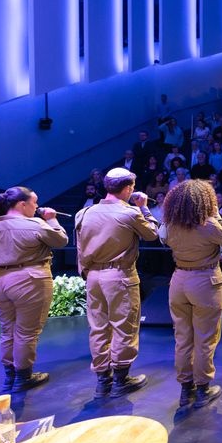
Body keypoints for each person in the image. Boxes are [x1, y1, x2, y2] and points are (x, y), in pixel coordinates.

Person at [75, 168, 159, 399]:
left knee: (98, 327)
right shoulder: (130, 213)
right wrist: (143, 207)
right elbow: (152, 234)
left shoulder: (84, 212)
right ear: (129, 188)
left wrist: (86, 272)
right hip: (119, 275)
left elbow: (80, 247)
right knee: (124, 325)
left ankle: (103, 380)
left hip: (93, 276)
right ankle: (121, 379)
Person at [0, 186, 68, 391]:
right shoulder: (35, 224)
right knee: (27, 331)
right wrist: (52, 219)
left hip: (0, 280)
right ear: (22, 204)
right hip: (29, 280)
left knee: (7, 329)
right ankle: (24, 376)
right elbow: (61, 240)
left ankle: (10, 375)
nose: (37, 207)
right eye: (34, 203)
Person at [158, 180, 222, 408]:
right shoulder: (208, 224)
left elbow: (162, 237)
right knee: (205, 338)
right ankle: (202, 389)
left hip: (178, 281)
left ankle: (185, 389)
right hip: (204, 281)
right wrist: (216, 214)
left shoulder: (171, 225)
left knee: (182, 338)